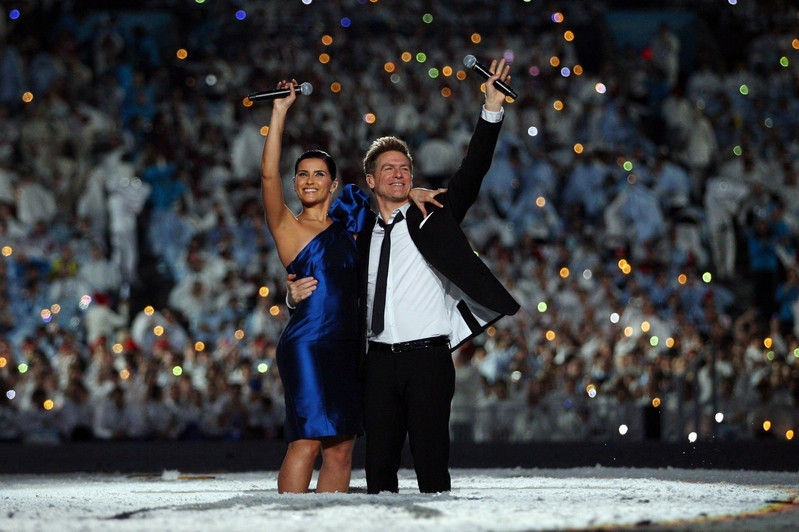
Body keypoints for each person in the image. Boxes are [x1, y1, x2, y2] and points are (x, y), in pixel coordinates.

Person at [289, 58, 520, 493]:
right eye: (389, 170)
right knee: (378, 475)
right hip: (375, 364)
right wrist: (290, 295)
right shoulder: (355, 234)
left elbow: (473, 171)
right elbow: (320, 274)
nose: (399, 174)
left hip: (429, 360)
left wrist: (491, 109)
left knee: (433, 468)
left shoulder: (433, 213)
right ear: (371, 181)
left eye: (405, 169)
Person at [260, 80, 440, 494]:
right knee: (306, 440)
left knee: (342, 447)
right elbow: (267, 173)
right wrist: (280, 112)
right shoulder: (288, 227)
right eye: (302, 175)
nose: (309, 181)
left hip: (348, 346)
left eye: (318, 174)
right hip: (307, 344)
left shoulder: (352, 224)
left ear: (333, 184)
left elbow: (387, 196)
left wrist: (412, 189)